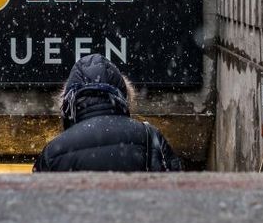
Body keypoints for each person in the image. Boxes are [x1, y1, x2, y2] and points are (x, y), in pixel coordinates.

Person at [33, 54, 183, 172]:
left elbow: (38, 206)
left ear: (69, 101)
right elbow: (178, 196)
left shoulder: (53, 152)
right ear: (124, 94)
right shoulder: (149, 136)